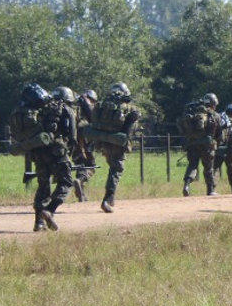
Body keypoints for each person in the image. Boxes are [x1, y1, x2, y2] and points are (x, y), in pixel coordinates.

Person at [9, 83, 77, 230]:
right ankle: (50, 210)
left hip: (38, 152)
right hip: (57, 151)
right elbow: (72, 135)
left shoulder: (37, 109)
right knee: (66, 183)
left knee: (43, 186)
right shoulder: (65, 109)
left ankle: (38, 223)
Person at [88, 82, 142, 212]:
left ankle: (111, 199)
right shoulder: (129, 108)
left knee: (113, 168)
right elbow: (131, 130)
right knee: (116, 169)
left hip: (103, 142)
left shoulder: (102, 105)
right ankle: (107, 198)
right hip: (118, 143)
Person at [179, 93, 222, 196]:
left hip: (192, 144)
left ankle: (187, 185)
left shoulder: (193, 113)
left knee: (192, 165)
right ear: (213, 103)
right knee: (208, 167)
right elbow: (219, 133)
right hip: (207, 145)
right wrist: (217, 142)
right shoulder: (214, 115)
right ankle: (210, 190)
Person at [72, 89, 98, 200]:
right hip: (85, 140)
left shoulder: (74, 106)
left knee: (80, 164)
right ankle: (80, 181)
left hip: (72, 141)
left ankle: (81, 194)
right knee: (91, 166)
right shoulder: (87, 108)